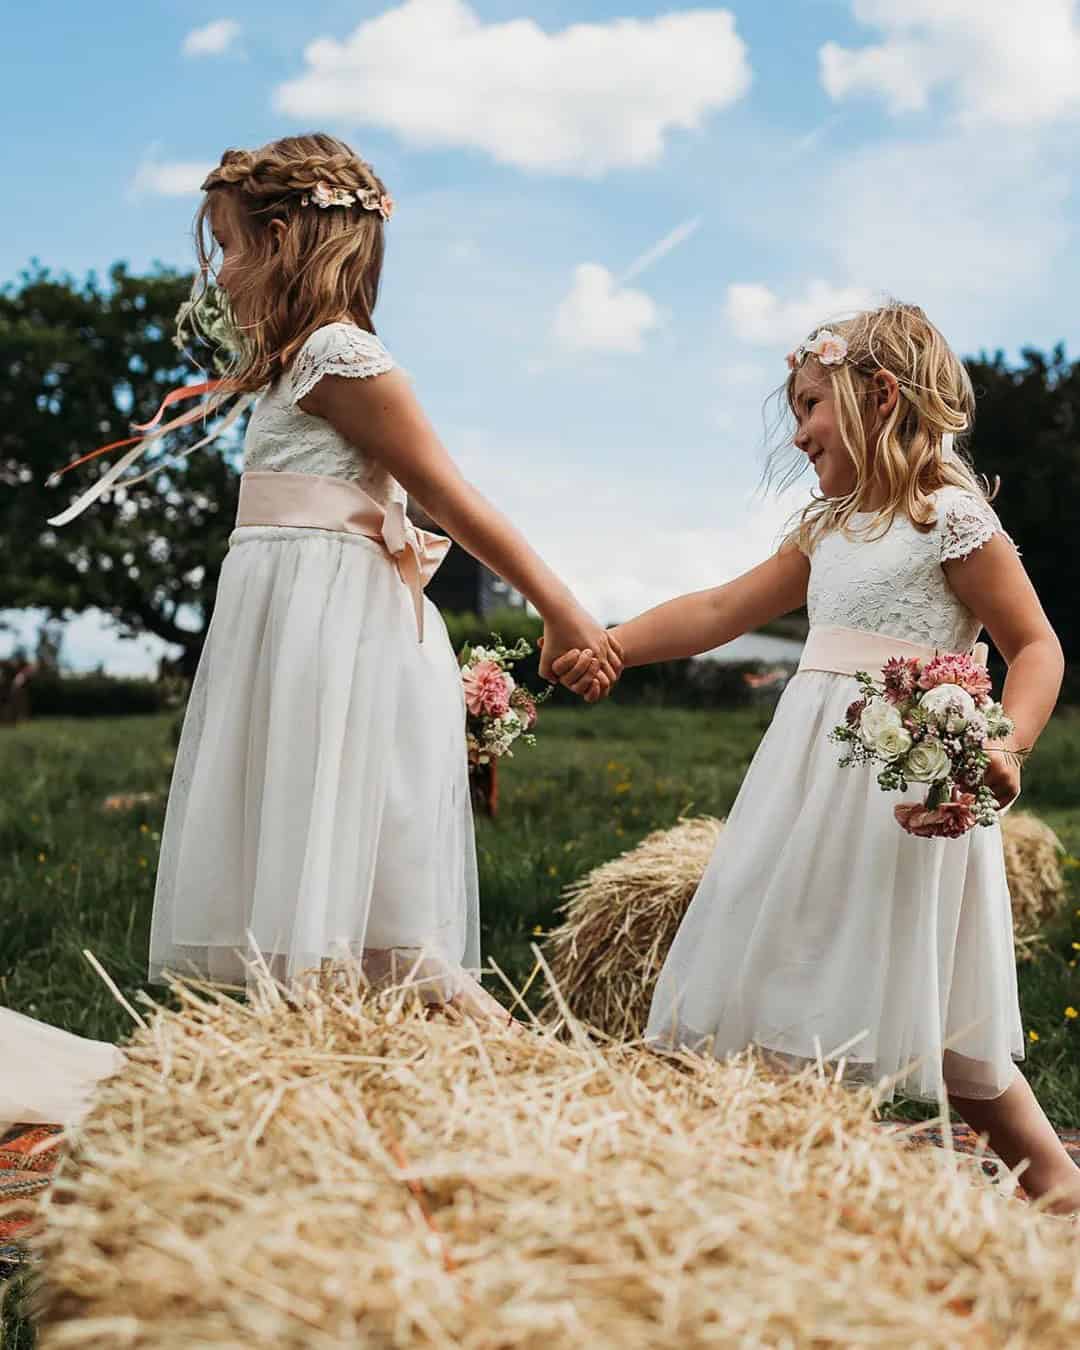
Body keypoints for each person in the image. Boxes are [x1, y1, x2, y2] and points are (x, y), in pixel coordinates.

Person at [47, 131, 622, 1025]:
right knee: (301, 870)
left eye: (231, 247)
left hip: (334, 637)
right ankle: (328, 1055)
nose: (220, 275)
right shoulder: (292, 369)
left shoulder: (341, 360)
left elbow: (452, 500)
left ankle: (509, 1062)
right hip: (286, 629)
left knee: (371, 892)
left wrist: (563, 615)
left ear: (282, 240)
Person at [553, 302, 1079, 1213]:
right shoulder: (826, 529)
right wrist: (613, 643)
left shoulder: (948, 519)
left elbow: (1037, 648)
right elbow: (720, 611)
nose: (797, 433)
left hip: (902, 788)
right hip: (807, 783)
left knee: (943, 1002)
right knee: (795, 952)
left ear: (878, 396)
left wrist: (1007, 745)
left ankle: (1055, 1184)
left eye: (809, 406)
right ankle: (794, 1177)